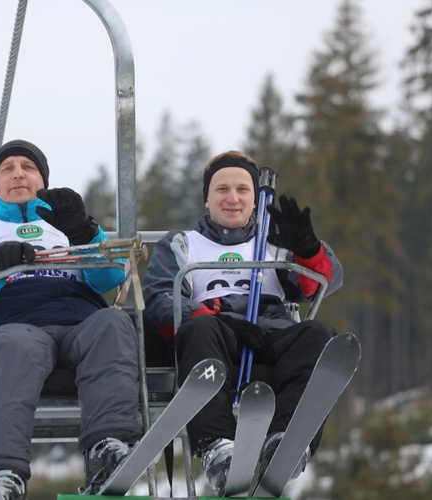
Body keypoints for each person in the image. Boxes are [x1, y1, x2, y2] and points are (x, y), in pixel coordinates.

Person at [0, 139, 143, 499]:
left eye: (28, 167)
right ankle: (5, 473)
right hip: (19, 324)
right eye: (7, 168)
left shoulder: (63, 224)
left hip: (80, 323)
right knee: (12, 345)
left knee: (113, 324)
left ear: (42, 179)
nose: (18, 173)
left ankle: (108, 448)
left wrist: (83, 232)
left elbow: (111, 277)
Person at [141, 150, 343, 496]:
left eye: (242, 190)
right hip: (215, 336)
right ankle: (217, 444)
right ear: (207, 198)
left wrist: (307, 251)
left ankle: (286, 438)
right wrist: (214, 319)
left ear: (255, 200)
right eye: (221, 189)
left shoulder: (274, 245)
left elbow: (323, 283)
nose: (232, 198)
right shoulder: (184, 244)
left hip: (271, 335)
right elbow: (159, 302)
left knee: (320, 336)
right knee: (200, 330)